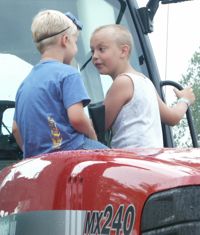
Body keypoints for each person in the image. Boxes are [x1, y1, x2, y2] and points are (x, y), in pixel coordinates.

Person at [12, 10, 108, 158]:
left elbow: (16, 129)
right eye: (75, 43)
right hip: (71, 149)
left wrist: (32, 154)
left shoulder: (25, 83)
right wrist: (92, 136)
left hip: (36, 158)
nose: (75, 49)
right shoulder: (68, 73)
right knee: (111, 158)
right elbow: (77, 118)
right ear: (65, 40)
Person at [90, 24, 195, 148]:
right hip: (151, 160)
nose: (94, 56)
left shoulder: (122, 82)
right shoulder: (145, 82)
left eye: (101, 49)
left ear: (124, 51)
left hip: (130, 160)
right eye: (92, 50)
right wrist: (184, 100)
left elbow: (98, 126)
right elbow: (173, 117)